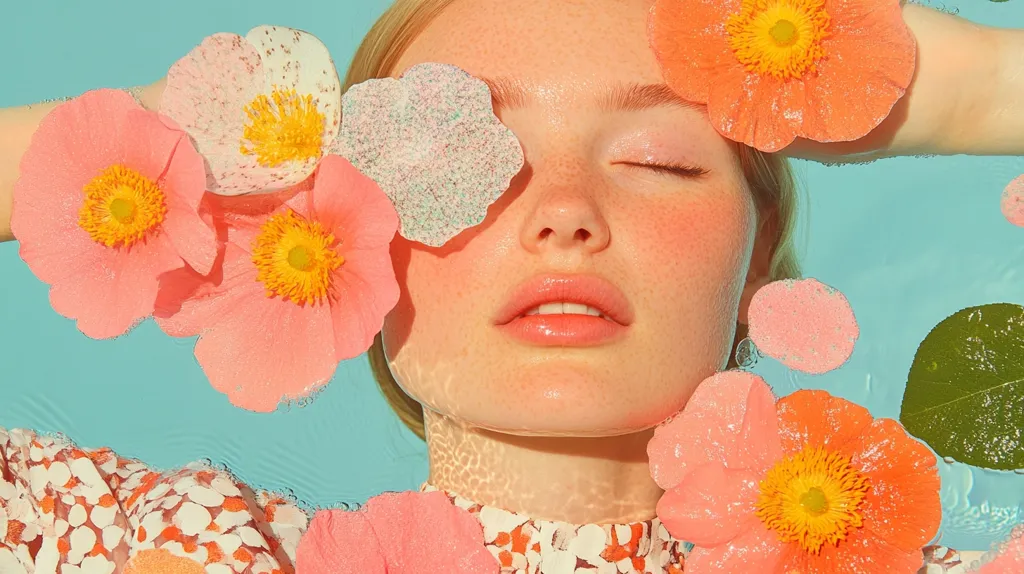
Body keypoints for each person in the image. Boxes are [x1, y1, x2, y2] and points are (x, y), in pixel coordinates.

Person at [1, 0, 1021, 572]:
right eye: (462, 157)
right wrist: (139, 153)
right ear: (349, 229)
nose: (563, 212)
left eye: (658, 158)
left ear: (758, 253)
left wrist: (978, 89)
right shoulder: (186, 548)